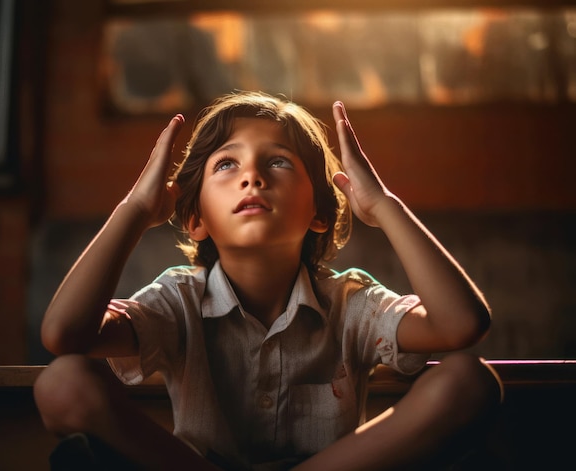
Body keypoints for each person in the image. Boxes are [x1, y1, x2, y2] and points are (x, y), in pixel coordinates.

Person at [34, 91, 503, 471]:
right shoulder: (177, 299)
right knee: (63, 382)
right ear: (195, 218)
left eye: (277, 162)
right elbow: (64, 335)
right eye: (226, 165)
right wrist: (135, 210)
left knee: (469, 380)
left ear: (320, 212)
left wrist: (383, 205)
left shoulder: (350, 302)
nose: (252, 177)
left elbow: (461, 325)